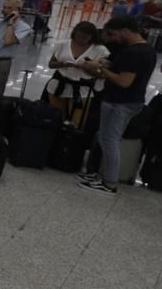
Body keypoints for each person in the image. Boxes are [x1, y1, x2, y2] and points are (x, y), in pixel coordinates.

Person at [75, 16, 157, 195]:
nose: (113, 38)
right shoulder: (144, 49)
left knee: (111, 140)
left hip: (122, 103)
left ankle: (109, 183)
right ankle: (101, 176)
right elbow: (124, 70)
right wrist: (107, 64)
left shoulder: (135, 53)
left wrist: (100, 69)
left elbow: (124, 81)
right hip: (122, 101)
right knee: (104, 137)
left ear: (126, 31)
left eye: (114, 34)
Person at [46, 21, 109, 124]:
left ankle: (70, 139)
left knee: (77, 122)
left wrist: (86, 67)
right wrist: (64, 64)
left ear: (92, 37)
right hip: (59, 84)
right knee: (56, 118)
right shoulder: (63, 44)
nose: (80, 40)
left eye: (85, 38)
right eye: (78, 36)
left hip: (82, 88)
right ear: (74, 33)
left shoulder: (100, 50)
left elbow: (102, 75)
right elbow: (51, 65)